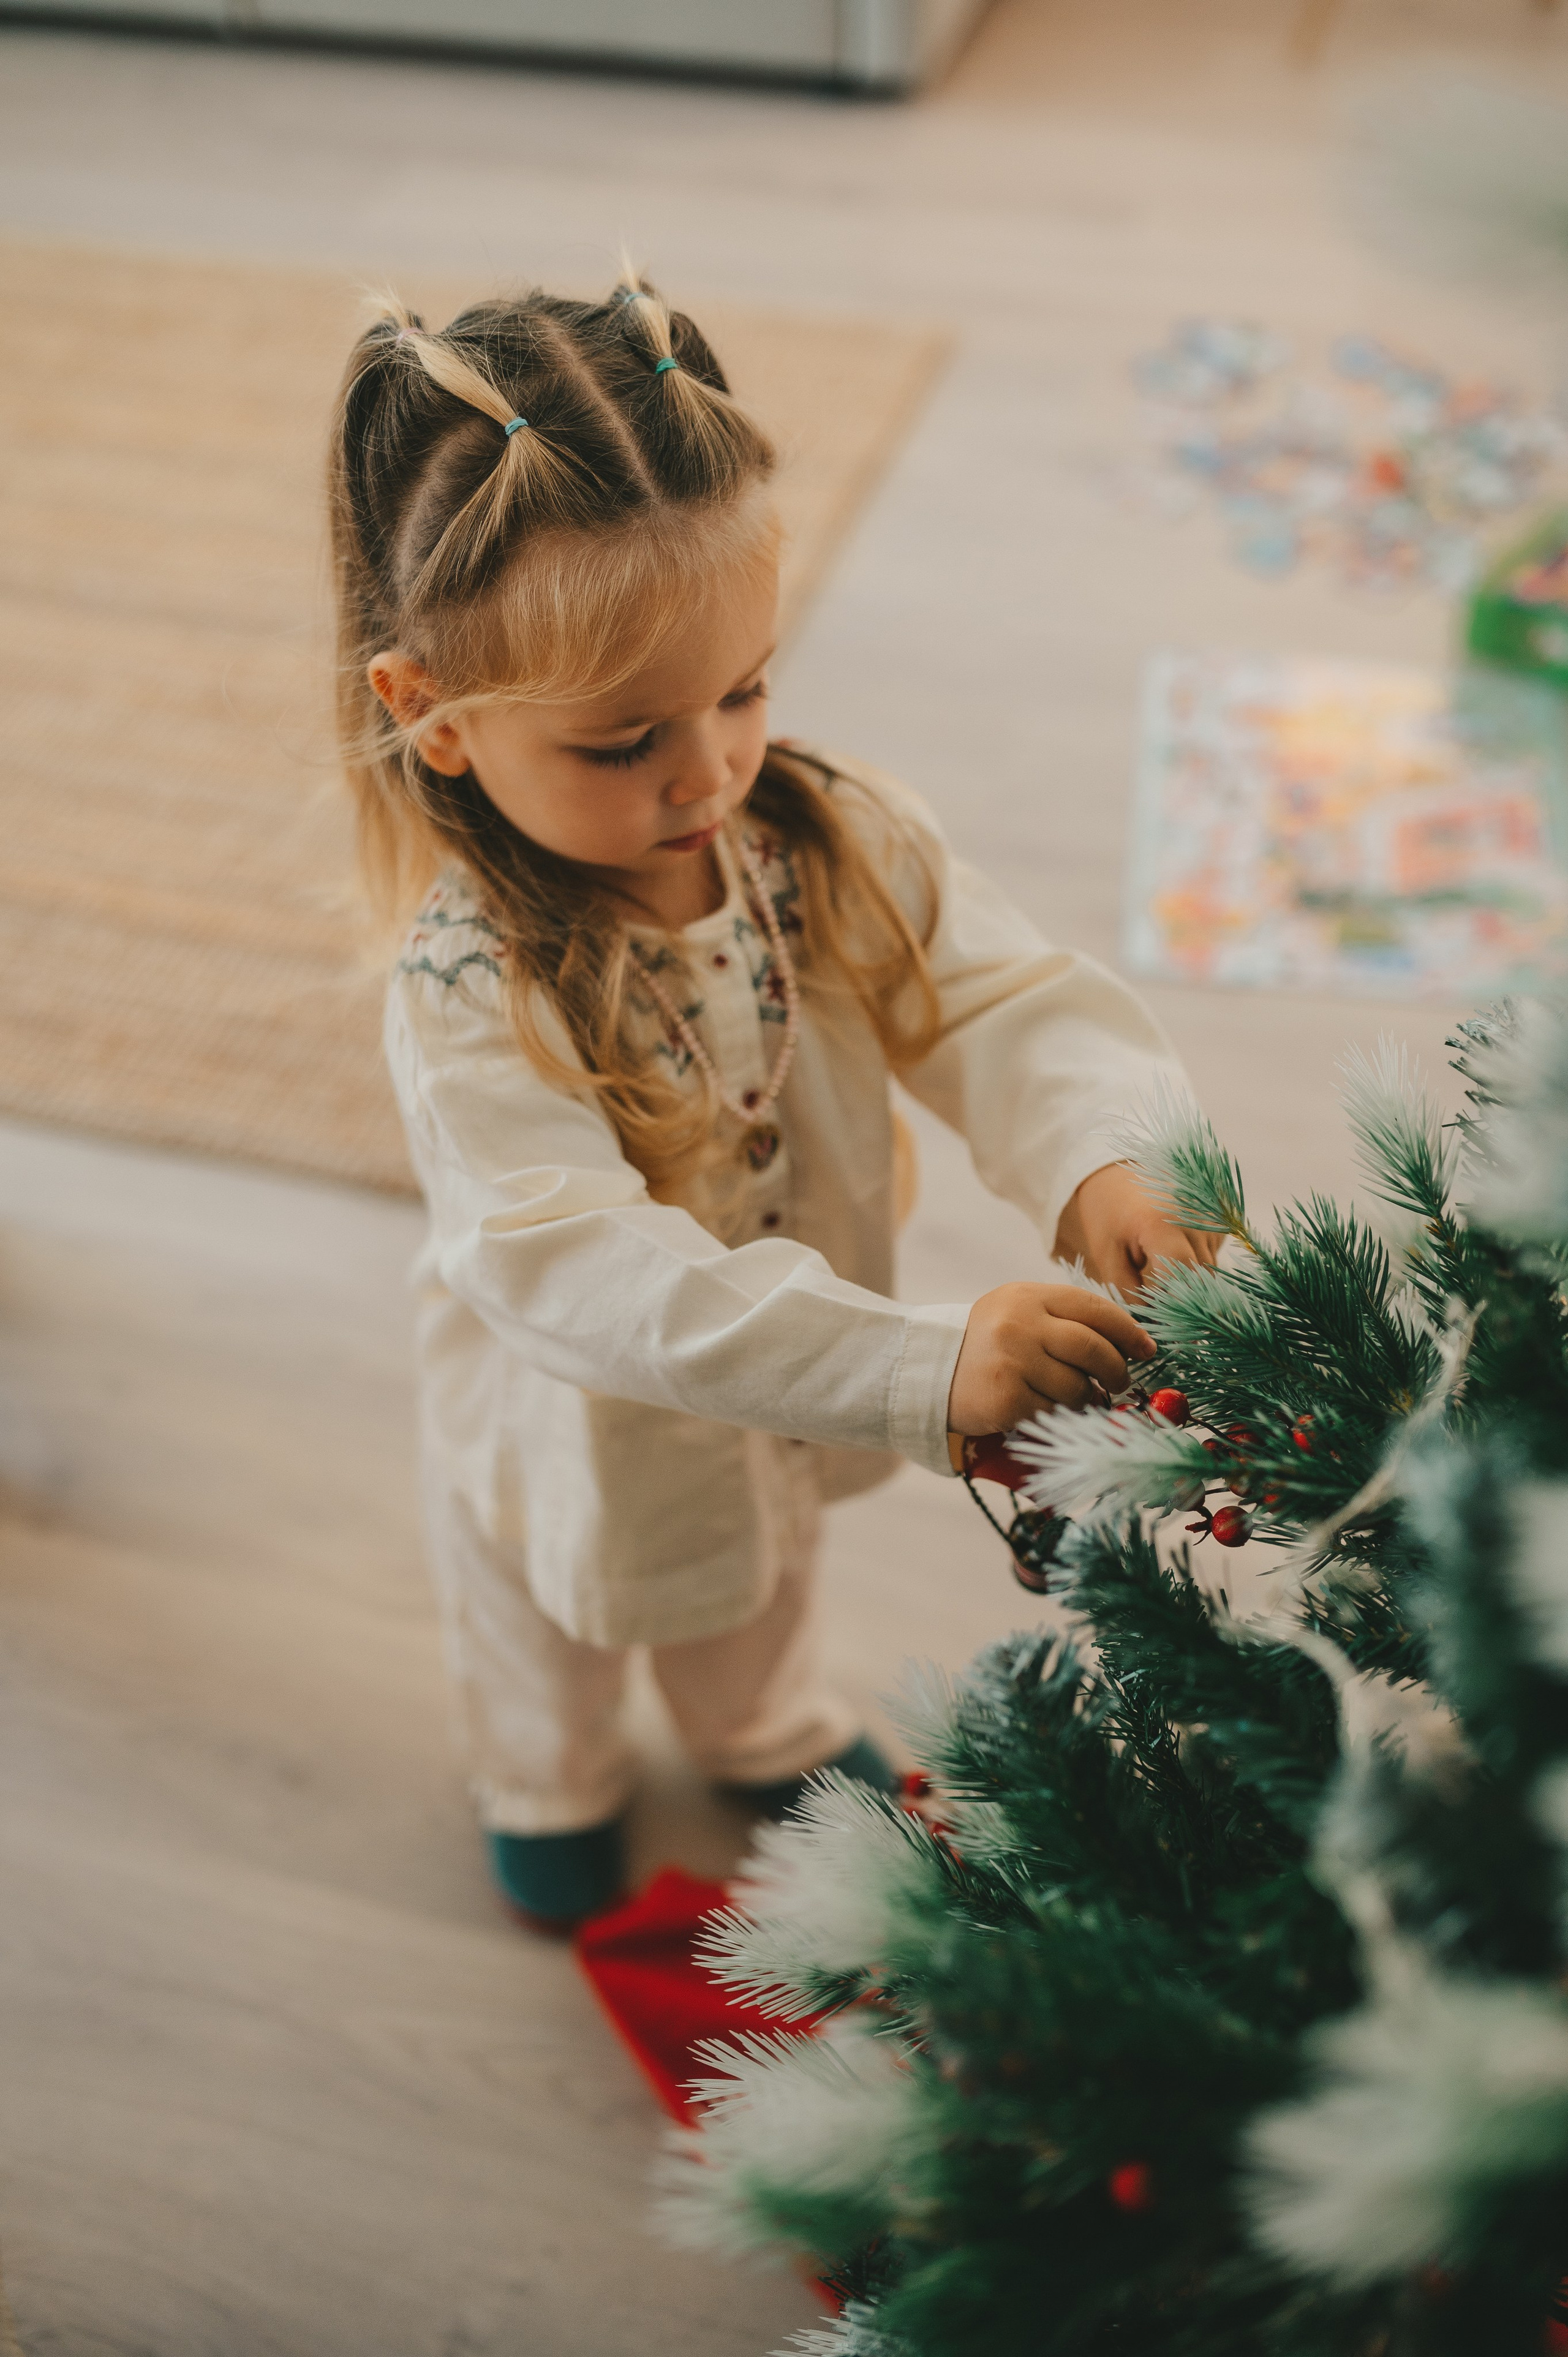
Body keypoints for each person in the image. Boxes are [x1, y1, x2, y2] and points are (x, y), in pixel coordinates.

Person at [330, 274, 1213, 1931]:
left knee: (768, 1569)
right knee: (559, 1616)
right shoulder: (471, 989)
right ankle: (549, 1778)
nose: (706, 773)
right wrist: (920, 1362)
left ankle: (759, 1734)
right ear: (427, 717)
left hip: (803, 1383)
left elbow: (1000, 994)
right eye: (623, 740)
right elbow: (583, 1270)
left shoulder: (823, 835)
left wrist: (1107, 1159)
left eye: (744, 691)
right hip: (571, 1422)